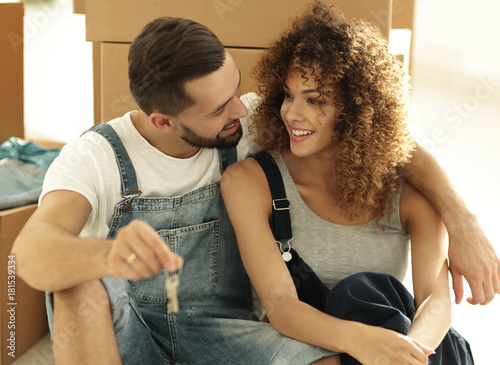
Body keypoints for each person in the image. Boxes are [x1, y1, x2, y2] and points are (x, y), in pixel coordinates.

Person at [12, 7, 496, 365]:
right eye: (221, 108)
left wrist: (463, 221)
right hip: (127, 327)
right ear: (163, 120)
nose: (243, 111)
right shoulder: (95, 158)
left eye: (236, 89)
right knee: (73, 286)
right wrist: (103, 256)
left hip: (223, 332)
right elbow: (31, 253)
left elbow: (383, 139)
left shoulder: (249, 120)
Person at [221, 2, 475, 364]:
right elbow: (280, 306)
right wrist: (365, 344)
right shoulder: (250, 181)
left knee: (363, 293)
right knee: (348, 305)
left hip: (411, 347)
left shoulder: (408, 191)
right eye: (289, 95)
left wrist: (407, 353)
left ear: (356, 110)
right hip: (322, 351)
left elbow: (436, 300)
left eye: (315, 100)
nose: (293, 113)